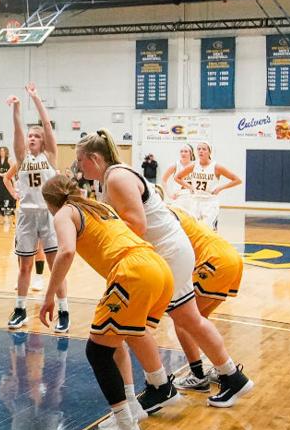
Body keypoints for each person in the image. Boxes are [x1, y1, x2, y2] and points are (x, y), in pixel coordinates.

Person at [76, 129, 253, 411]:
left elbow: (137, 225)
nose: (78, 166)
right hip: (173, 251)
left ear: (95, 158)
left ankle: (160, 386)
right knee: (189, 319)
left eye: (80, 160)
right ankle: (232, 375)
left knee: (131, 322)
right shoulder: (110, 179)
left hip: (166, 253)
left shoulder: (118, 177)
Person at [38, 174, 174, 430]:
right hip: (157, 267)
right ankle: (131, 408)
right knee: (114, 340)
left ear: (50, 202)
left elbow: (65, 252)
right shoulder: (99, 206)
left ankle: (126, 429)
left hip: (133, 272)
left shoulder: (64, 213)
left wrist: (49, 295)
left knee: (97, 351)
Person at [165, 201, 247, 394]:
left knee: (182, 317)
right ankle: (221, 369)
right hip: (231, 258)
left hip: (214, 260)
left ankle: (199, 375)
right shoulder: (177, 210)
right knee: (198, 320)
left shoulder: (165, 217)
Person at [6, 83, 68, 333]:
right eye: (30, 136)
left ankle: (64, 310)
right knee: (24, 266)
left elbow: (48, 126)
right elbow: (17, 135)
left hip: (48, 215)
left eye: (36, 136)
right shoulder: (22, 159)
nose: (31, 138)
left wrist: (36, 98)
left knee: (56, 267)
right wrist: (17, 109)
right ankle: (20, 309)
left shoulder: (50, 156)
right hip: (26, 216)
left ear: (43, 142)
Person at [174, 142, 242, 230]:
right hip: (195, 201)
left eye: (204, 149)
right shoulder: (193, 165)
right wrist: (190, 187)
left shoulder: (216, 167)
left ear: (209, 152)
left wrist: (220, 188)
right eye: (199, 149)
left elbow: (237, 180)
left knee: (208, 230)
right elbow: (177, 177)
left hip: (210, 202)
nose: (201, 151)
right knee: (194, 230)